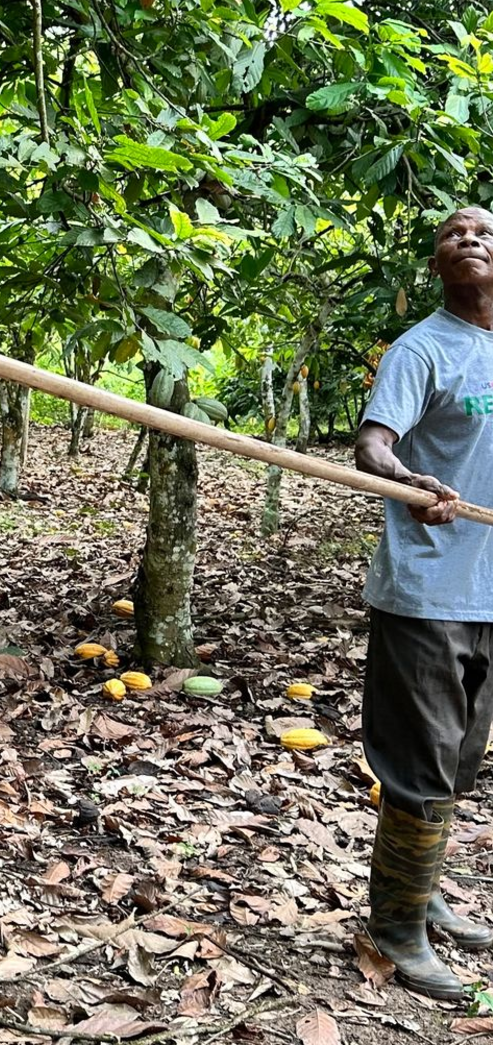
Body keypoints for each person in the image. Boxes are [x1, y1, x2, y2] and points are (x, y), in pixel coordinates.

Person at [355, 205, 493, 1002]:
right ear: (437, 262)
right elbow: (374, 443)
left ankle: (423, 887)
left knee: (463, 757)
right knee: (421, 760)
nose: (468, 238)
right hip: (429, 588)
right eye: (451, 233)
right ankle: (396, 924)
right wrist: (405, 479)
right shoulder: (422, 347)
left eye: (483, 232)